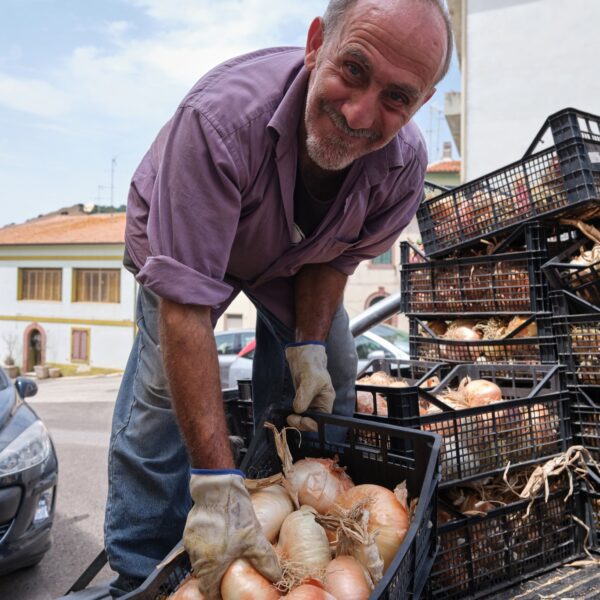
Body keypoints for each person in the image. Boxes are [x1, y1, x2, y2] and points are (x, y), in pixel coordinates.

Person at [104, 0, 452, 597]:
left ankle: (286, 500)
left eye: (397, 97)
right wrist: (213, 480)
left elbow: (333, 258)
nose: (360, 112)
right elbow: (186, 304)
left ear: (419, 104)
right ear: (316, 42)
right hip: (185, 245)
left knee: (333, 370)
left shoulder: (403, 167)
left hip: (289, 259)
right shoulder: (219, 120)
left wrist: (309, 346)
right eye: (354, 69)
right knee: (162, 394)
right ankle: (138, 570)